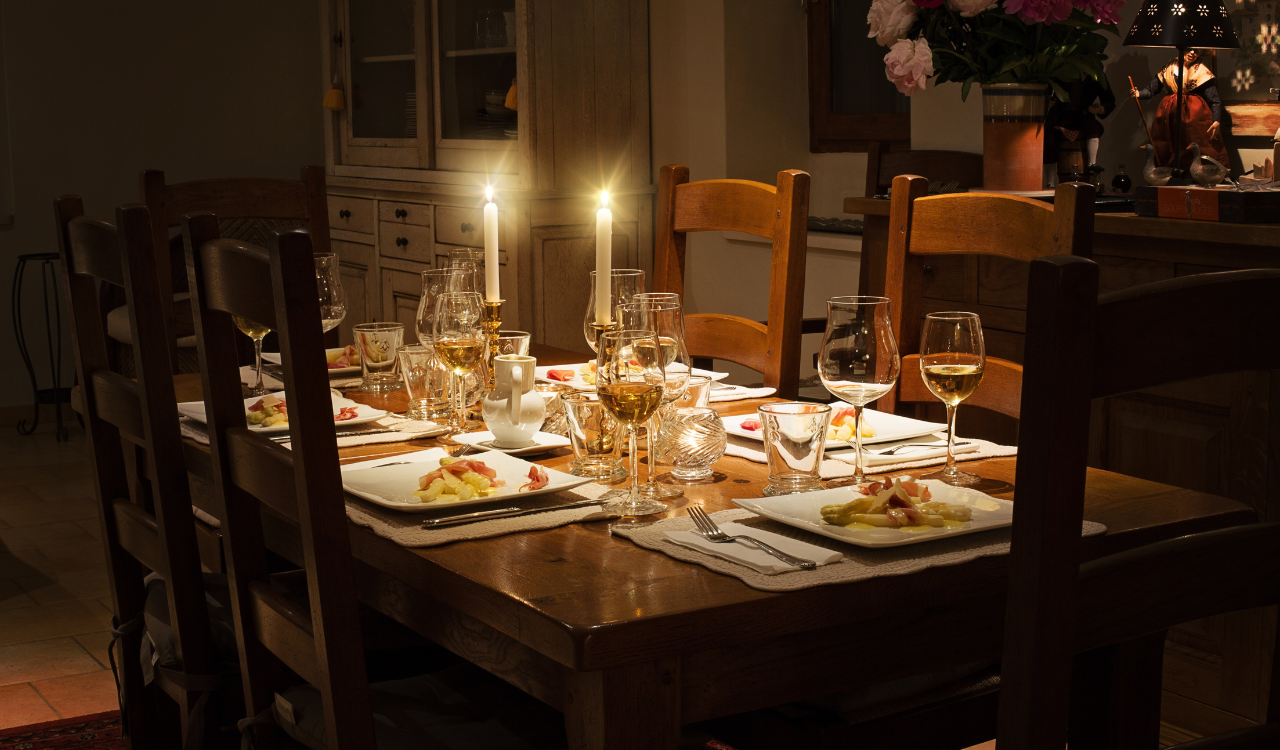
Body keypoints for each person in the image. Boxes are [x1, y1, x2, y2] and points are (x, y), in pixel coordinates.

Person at [1131, 49, 1227, 172]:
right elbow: (1151, 89)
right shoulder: (1168, 68)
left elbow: (1214, 100)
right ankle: (1169, 173)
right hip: (1169, 113)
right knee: (1168, 144)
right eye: (1189, 48)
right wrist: (1139, 93)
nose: (1192, 53)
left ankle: (1193, 174)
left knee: (1193, 145)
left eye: (1196, 51)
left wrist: (1216, 120)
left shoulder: (1202, 72)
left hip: (1194, 116)